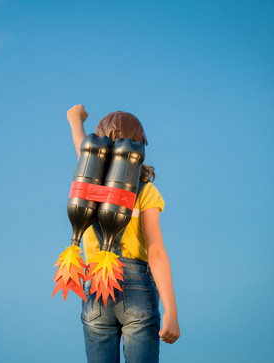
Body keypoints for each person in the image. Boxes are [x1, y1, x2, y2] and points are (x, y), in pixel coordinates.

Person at [67, 104, 180, 363]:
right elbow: (156, 251)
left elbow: (81, 150)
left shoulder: (87, 187)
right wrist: (171, 310)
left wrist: (76, 120)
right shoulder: (145, 191)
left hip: (95, 287)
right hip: (136, 288)